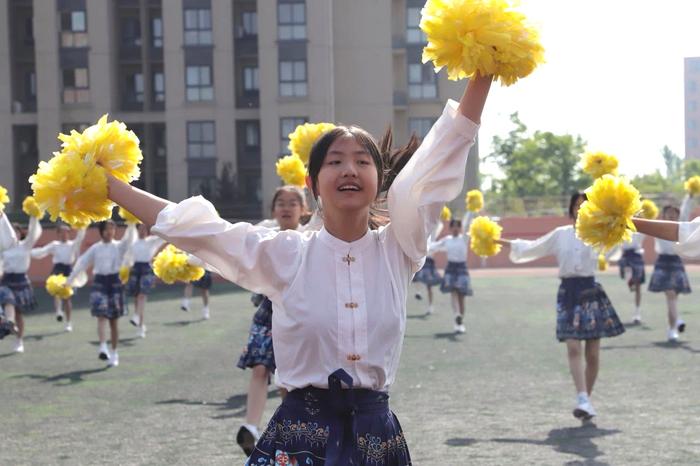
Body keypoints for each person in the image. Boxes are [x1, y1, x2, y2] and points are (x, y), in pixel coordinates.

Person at [99, 74, 490, 463]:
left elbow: (443, 155)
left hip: (376, 437)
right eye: (335, 161)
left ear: (379, 178)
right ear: (313, 182)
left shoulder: (399, 248)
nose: (349, 170)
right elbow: (200, 230)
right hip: (301, 434)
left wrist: (483, 73)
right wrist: (108, 185)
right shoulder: (286, 252)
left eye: (362, 161)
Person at [502, 193, 625, 421]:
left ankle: (585, 400)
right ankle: (582, 398)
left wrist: (619, 222)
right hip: (568, 293)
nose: (580, 209)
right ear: (571, 209)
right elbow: (532, 247)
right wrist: (498, 241)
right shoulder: (561, 235)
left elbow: (615, 249)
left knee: (594, 354)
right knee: (573, 348)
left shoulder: (599, 235)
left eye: (585, 205)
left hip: (591, 294)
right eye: (577, 205)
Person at [235, 185, 308, 456]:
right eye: (281, 203)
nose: (286, 207)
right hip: (268, 314)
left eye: (293, 203)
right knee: (259, 368)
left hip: (299, 316)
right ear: (273, 210)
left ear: (304, 210)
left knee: (289, 383)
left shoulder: (311, 238)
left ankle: (291, 439)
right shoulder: (264, 237)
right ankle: (251, 428)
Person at [67, 220, 136, 367]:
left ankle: (114, 352)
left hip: (115, 283)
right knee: (101, 316)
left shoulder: (119, 246)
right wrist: (69, 281)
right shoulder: (95, 248)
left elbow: (129, 239)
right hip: (100, 283)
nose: (110, 232)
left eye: (112, 229)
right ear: (101, 231)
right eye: (106, 229)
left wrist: (131, 224)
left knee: (114, 322)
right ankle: (103, 346)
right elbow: (82, 263)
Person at [646, 197, 693, 342]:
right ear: (663, 215)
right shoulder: (659, 227)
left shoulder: (681, 227)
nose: (672, 215)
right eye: (669, 213)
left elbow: (686, 211)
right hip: (663, 262)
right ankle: (675, 325)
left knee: (672, 299)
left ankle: (672, 327)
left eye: (675, 213)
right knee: (671, 294)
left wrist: (690, 196)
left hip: (676, 262)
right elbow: (647, 221)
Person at [31, 223, 86, 331]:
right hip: (57, 270)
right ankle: (58, 311)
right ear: (58, 234)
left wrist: (82, 226)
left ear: (69, 233)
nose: (64, 234)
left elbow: (80, 237)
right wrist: (29, 252)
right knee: (56, 292)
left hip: (68, 271)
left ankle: (69, 322)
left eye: (66, 232)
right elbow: (42, 251)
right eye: (61, 232)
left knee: (67, 298)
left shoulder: (72, 244)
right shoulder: (54, 244)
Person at [0, 214, 42, 353]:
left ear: (20, 233)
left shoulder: (25, 245)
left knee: (18, 313)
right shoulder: (4, 248)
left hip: (21, 281)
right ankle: (8, 323)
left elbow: (33, 232)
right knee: (7, 302)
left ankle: (19, 340)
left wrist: (34, 216)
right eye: (12, 231)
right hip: (6, 280)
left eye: (17, 231)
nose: (14, 234)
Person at [429, 212, 475, 333]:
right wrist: (421, 245)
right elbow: (433, 246)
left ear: (460, 228)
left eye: (458, 226)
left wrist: (471, 210)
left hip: (462, 268)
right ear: (450, 228)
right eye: (453, 225)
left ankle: (460, 322)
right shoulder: (447, 240)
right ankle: (456, 316)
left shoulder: (464, 238)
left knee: (462, 296)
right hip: (450, 268)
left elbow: (468, 223)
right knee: (453, 292)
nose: (455, 228)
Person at [125, 223, 165, 338]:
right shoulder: (133, 244)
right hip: (135, 270)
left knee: (142, 295)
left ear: (147, 231)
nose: (142, 231)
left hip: (147, 269)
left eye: (144, 229)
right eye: (140, 229)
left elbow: (163, 237)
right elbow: (127, 258)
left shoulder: (152, 241)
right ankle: (140, 326)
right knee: (137, 298)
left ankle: (137, 317)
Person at [412, 219, 445, 315]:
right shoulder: (420, 235)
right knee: (415, 276)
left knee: (429, 286)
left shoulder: (433, 235)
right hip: (421, 260)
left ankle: (430, 306)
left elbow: (438, 223)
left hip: (429, 262)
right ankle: (418, 292)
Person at [617, 232, 646, 324]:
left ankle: (637, 313)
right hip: (626, 255)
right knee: (628, 273)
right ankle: (629, 281)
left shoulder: (640, 225)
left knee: (638, 287)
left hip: (636, 255)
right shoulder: (621, 223)